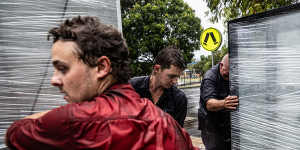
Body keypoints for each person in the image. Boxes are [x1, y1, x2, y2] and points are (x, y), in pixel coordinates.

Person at [5, 16, 199, 150]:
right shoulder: (167, 124)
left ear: (101, 67)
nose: (54, 80)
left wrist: (64, 112)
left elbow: (15, 134)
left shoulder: (77, 120)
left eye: (63, 68)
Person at [129, 47, 187, 127]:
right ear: (157, 69)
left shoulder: (179, 98)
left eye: (177, 77)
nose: (175, 81)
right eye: (171, 76)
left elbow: (177, 134)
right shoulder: (132, 87)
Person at [198, 54, 239, 150]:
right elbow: (209, 104)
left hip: (226, 125)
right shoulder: (210, 77)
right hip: (211, 127)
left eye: (231, 77)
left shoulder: (232, 73)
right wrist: (224, 103)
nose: (228, 79)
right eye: (226, 75)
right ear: (221, 66)